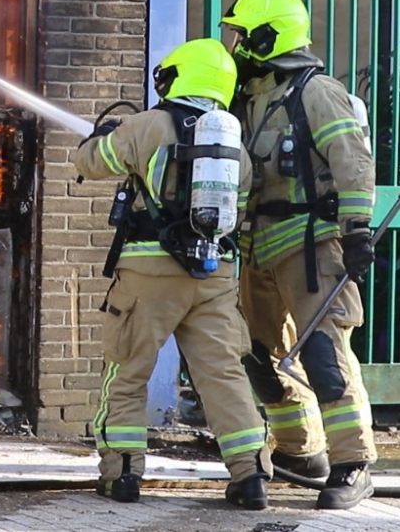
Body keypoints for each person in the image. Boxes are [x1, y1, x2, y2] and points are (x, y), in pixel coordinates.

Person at [72, 38, 273, 509]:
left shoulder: (148, 126)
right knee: (223, 375)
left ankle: (121, 473)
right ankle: (251, 477)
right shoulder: (235, 151)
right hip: (213, 278)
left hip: (148, 275)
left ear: (182, 76)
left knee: (127, 369)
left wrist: (99, 138)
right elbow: (234, 218)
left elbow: (90, 163)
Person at [221, 0, 377, 510]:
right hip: (258, 248)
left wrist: (356, 231)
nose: (235, 45)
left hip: (312, 249)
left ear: (271, 36)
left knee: (324, 356)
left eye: (243, 36)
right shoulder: (250, 98)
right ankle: (298, 449)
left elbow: (353, 164)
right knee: (258, 356)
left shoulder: (317, 92)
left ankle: (353, 463)